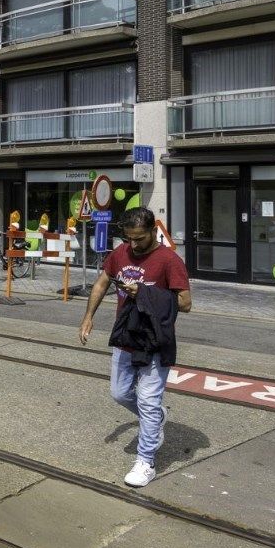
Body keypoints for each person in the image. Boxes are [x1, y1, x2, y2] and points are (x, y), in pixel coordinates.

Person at [79, 206, 192, 488]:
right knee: (119, 393)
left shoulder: (169, 260)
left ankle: (146, 460)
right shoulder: (120, 253)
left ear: (154, 231)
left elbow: (185, 303)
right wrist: (88, 317)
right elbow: (102, 283)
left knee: (148, 400)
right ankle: (156, 418)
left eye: (140, 238)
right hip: (126, 337)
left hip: (155, 339)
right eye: (129, 238)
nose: (134, 244)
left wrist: (145, 292)